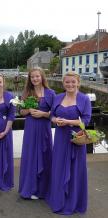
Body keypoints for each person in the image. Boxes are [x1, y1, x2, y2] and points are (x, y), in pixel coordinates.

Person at [47, 71, 91, 214]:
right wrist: (55, 120)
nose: (70, 84)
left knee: (75, 169)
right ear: (63, 83)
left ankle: (73, 201)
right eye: (67, 82)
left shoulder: (84, 99)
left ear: (78, 82)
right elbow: (52, 115)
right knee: (59, 167)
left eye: (73, 82)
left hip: (76, 138)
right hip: (60, 138)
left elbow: (86, 120)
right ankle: (59, 199)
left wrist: (67, 122)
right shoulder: (58, 97)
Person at [18, 67, 55, 200]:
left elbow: (56, 113)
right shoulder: (27, 92)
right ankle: (30, 188)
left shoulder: (51, 93)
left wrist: (43, 114)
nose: (35, 79)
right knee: (31, 156)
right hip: (31, 129)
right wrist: (28, 111)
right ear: (30, 79)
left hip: (44, 128)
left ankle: (44, 189)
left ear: (42, 77)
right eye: (32, 77)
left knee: (45, 155)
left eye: (37, 76)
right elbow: (20, 112)